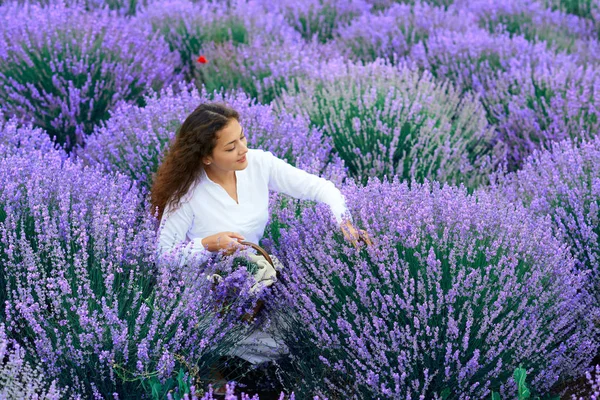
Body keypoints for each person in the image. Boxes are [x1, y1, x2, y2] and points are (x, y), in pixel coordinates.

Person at [150, 102, 363, 390]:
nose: (243, 149)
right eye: (230, 147)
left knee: (302, 323)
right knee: (224, 337)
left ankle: (271, 375)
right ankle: (211, 367)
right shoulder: (187, 194)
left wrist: (343, 221)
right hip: (207, 294)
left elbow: (319, 188)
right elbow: (164, 256)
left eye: (242, 137)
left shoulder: (258, 164)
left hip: (254, 278)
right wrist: (207, 245)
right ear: (206, 158)